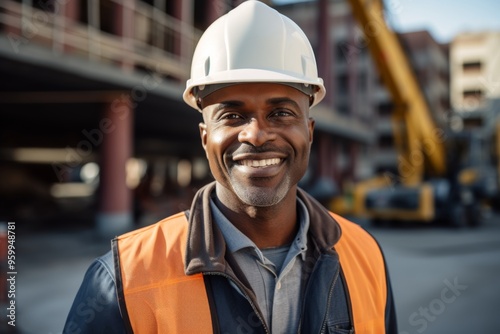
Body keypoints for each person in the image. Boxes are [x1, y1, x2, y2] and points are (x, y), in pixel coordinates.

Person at [63, 1, 397, 333]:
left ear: (308, 132)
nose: (256, 135)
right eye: (232, 115)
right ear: (205, 137)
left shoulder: (365, 255)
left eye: (280, 112)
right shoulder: (123, 282)